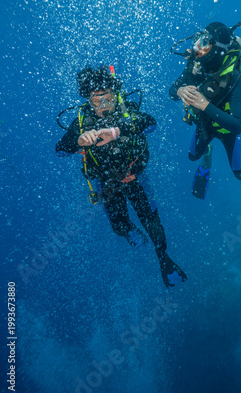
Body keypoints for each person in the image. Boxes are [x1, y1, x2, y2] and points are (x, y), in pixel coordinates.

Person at [56, 65, 187, 287]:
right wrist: (78, 140)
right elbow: (60, 150)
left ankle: (164, 259)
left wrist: (117, 131)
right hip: (107, 185)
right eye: (97, 100)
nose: (105, 105)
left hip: (135, 178)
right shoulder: (81, 121)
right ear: (88, 99)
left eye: (109, 98)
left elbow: (151, 124)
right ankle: (131, 234)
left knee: (152, 222)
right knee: (119, 226)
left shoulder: (127, 111)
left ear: (116, 95)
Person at [169, 22, 241, 255]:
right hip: (204, 123)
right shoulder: (195, 64)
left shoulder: (233, 76)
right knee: (192, 155)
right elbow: (172, 89)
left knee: (240, 172)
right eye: (198, 38)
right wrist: (179, 91)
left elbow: (237, 125)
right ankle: (207, 153)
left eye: (204, 41)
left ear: (216, 48)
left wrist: (204, 105)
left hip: (228, 130)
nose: (196, 45)